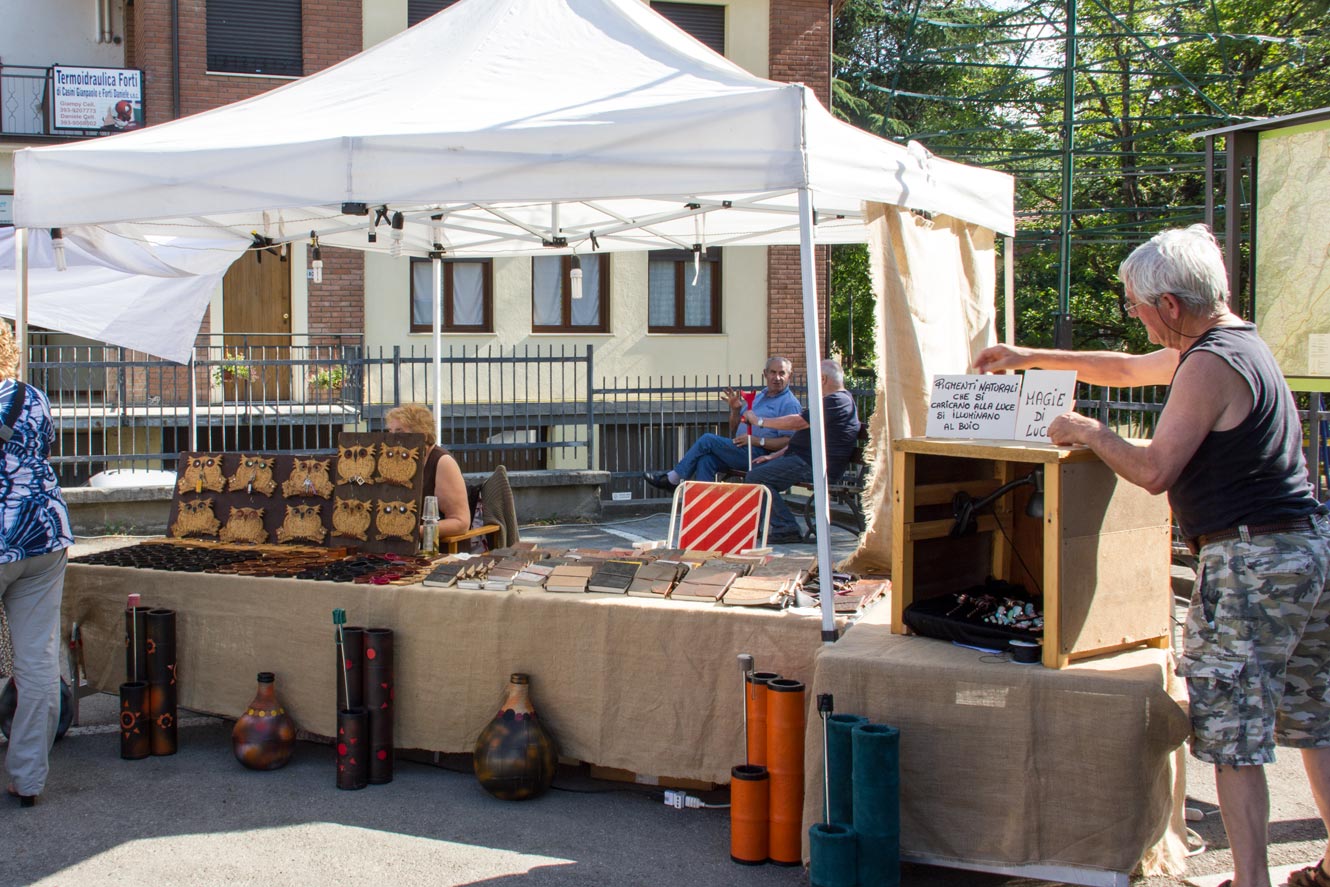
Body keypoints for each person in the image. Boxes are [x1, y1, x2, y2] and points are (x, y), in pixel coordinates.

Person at [973, 224, 1330, 887]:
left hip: (1249, 562)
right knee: (1313, 719)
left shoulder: (1206, 363)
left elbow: (1156, 467)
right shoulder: (1238, 343)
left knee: (1232, 735)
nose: (1134, 318)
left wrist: (1090, 430)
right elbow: (1127, 368)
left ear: (1171, 305)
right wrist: (1027, 355)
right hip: (1304, 551)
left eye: (1138, 305)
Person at [0, 321, 73, 807]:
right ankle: (28, 778)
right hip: (44, 533)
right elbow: (43, 446)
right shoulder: (31, 396)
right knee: (38, 658)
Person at [742, 359, 861, 545]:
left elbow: (798, 422)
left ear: (822, 378)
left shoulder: (837, 401)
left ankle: (786, 528)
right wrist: (774, 455)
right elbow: (802, 438)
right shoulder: (832, 401)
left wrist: (759, 421)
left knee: (756, 478)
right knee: (758, 473)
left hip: (815, 465)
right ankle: (772, 525)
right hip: (805, 459)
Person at [644, 357, 801, 491]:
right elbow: (734, 427)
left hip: (761, 455)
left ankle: (673, 479)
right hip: (742, 449)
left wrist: (757, 441)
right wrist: (735, 409)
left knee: (708, 439)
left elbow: (790, 443)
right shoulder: (760, 397)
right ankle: (703, 510)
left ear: (789, 376)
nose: (777, 377)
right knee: (706, 460)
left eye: (782, 373)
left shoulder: (789, 403)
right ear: (765, 374)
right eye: (773, 372)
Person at [384, 405, 471, 538]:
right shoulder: (396, 460)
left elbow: (460, 523)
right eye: (390, 432)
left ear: (421, 434)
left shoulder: (442, 462)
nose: (392, 438)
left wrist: (412, 531)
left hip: (434, 548)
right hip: (395, 544)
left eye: (400, 432)